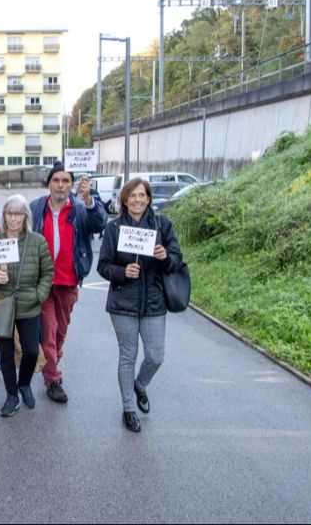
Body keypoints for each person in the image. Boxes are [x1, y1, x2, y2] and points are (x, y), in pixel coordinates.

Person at [97, 177, 183, 433]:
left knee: (156, 356)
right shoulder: (114, 229)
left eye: (141, 196)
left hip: (154, 302)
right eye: (132, 196)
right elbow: (103, 265)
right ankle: (128, 409)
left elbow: (178, 259)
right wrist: (123, 272)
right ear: (124, 200)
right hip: (123, 302)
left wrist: (166, 257)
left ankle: (140, 385)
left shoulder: (162, 225)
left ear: (148, 199)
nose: (137, 200)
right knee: (127, 356)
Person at [30, 162, 107, 403]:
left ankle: (52, 363)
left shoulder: (81, 208)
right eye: (56, 180)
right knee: (48, 332)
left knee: (60, 332)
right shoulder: (36, 208)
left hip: (69, 281)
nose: (61, 185)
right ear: (49, 183)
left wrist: (90, 200)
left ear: (71, 185)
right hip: (42, 283)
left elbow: (100, 223)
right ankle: (52, 378)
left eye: (65, 181)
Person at [0, 195, 54, 417]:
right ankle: (11, 395)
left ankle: (25, 383)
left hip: (29, 305)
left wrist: (39, 294)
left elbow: (48, 272)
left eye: (18, 214)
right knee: (6, 354)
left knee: (30, 350)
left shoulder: (37, 241)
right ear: (4, 216)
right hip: (2, 305)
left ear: (25, 216)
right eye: (10, 213)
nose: (14, 218)